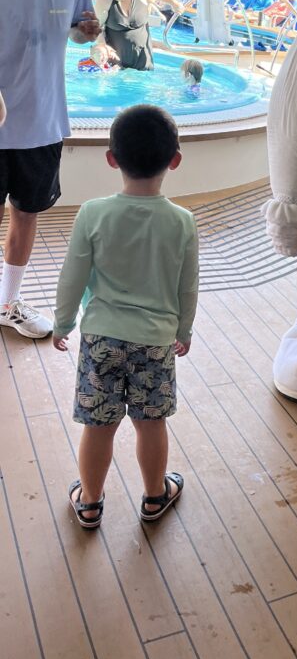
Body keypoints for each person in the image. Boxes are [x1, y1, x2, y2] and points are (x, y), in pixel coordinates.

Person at [52, 105, 198, 529]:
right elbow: (187, 287)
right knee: (150, 423)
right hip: (155, 341)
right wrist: (183, 330)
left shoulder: (93, 213)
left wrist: (63, 324)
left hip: (100, 338)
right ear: (175, 160)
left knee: (98, 426)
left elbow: (72, 276)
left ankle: (91, 502)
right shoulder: (182, 222)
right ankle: (155, 497)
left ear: (111, 158)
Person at [0, 0, 101, 338]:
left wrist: (89, 32)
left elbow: (81, 30)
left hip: (40, 121)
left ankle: (8, 302)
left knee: (27, 213)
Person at [94, 0, 154, 71]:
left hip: (143, 59)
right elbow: (96, 28)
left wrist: (175, 4)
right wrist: (103, 46)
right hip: (116, 61)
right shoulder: (104, 1)